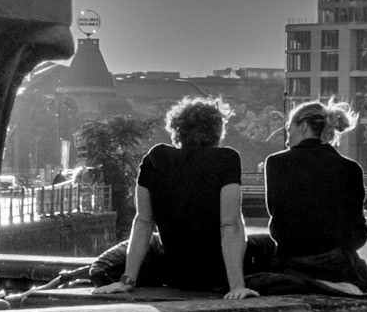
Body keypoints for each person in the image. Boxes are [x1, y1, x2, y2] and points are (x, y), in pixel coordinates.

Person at [106, 96, 255, 299]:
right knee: (264, 246)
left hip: (177, 276)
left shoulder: (155, 158)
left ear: (177, 128)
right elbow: (230, 225)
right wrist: (237, 287)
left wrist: (127, 280)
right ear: (217, 130)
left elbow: (143, 222)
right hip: (217, 278)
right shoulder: (226, 159)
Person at [262, 100, 367, 297]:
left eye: (290, 130)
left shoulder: (275, 163)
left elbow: (277, 215)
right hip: (336, 263)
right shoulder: (351, 168)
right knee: (354, 265)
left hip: (291, 262)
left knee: (257, 267)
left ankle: (310, 284)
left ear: (303, 125)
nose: (287, 140)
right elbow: (357, 237)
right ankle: (352, 284)